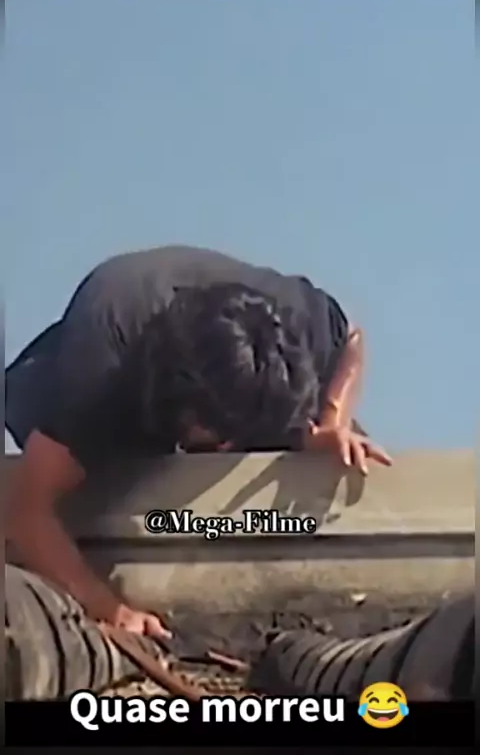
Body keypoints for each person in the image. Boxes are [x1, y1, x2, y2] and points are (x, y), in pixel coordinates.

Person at [5, 245, 391, 637]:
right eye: (217, 436)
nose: (226, 451)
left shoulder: (296, 322)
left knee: (324, 442)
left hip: (211, 373)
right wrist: (107, 608)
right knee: (70, 449)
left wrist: (331, 420)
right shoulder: (95, 375)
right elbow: (25, 513)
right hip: (106, 371)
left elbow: (353, 338)